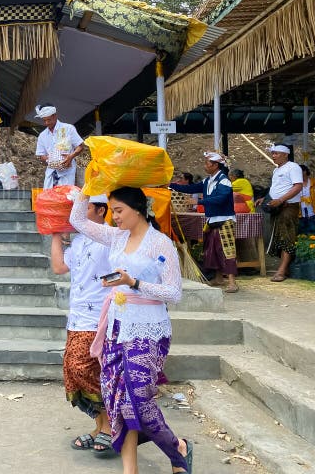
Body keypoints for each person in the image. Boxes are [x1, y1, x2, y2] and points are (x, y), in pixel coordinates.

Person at [70, 186, 192, 474]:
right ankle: (130, 470)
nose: (115, 217)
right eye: (112, 211)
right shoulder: (116, 237)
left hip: (149, 330)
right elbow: (78, 220)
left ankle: (178, 448)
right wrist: (89, 185)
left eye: (119, 210)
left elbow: (174, 293)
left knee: (138, 400)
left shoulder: (161, 244)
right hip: (116, 327)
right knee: (117, 401)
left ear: (137, 209)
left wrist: (134, 282)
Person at [49, 195, 114, 457]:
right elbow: (59, 267)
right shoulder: (78, 241)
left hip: (99, 316)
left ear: (101, 210)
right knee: (72, 370)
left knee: (83, 366)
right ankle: (100, 426)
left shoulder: (112, 237)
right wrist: (54, 233)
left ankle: (110, 427)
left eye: (84, 207)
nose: (78, 213)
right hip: (76, 316)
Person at [171, 152, 239, 293]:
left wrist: (200, 201)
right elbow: (191, 188)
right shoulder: (208, 180)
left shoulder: (224, 180)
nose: (205, 166)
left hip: (224, 219)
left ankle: (232, 282)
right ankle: (219, 278)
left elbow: (221, 198)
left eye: (207, 163)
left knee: (227, 251)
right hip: (212, 219)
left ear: (215, 165)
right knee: (213, 250)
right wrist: (171, 185)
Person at [256, 145, 303, 282]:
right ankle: (285, 268)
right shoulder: (276, 170)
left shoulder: (293, 167)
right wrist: (265, 198)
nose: (273, 156)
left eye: (276, 153)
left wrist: (281, 200)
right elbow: (276, 187)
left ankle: (281, 271)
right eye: (273, 153)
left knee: (286, 237)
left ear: (285, 154)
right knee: (278, 237)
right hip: (276, 207)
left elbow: (298, 186)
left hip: (288, 207)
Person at [34, 103, 84, 189]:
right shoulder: (42, 135)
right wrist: (51, 160)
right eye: (44, 120)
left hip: (67, 173)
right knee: (49, 199)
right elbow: (40, 155)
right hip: (51, 173)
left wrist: (71, 157)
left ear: (55, 116)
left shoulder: (68, 129)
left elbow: (80, 146)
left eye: (48, 120)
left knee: (65, 198)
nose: (46, 123)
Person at [298, 164, 315, 234]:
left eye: (298, 171)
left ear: (305, 172)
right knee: (303, 235)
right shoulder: (296, 185)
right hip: (302, 214)